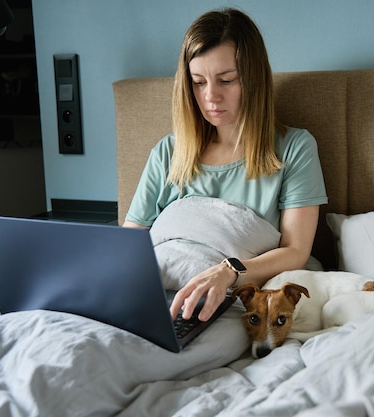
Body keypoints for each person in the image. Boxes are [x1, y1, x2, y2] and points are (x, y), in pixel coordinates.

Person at [123, 8, 327, 324]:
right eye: (198, 82)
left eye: (226, 80)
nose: (210, 97)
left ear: (254, 78)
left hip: (227, 297)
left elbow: (295, 251)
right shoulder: (168, 152)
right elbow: (129, 249)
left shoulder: (294, 148)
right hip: (151, 295)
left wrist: (228, 271)